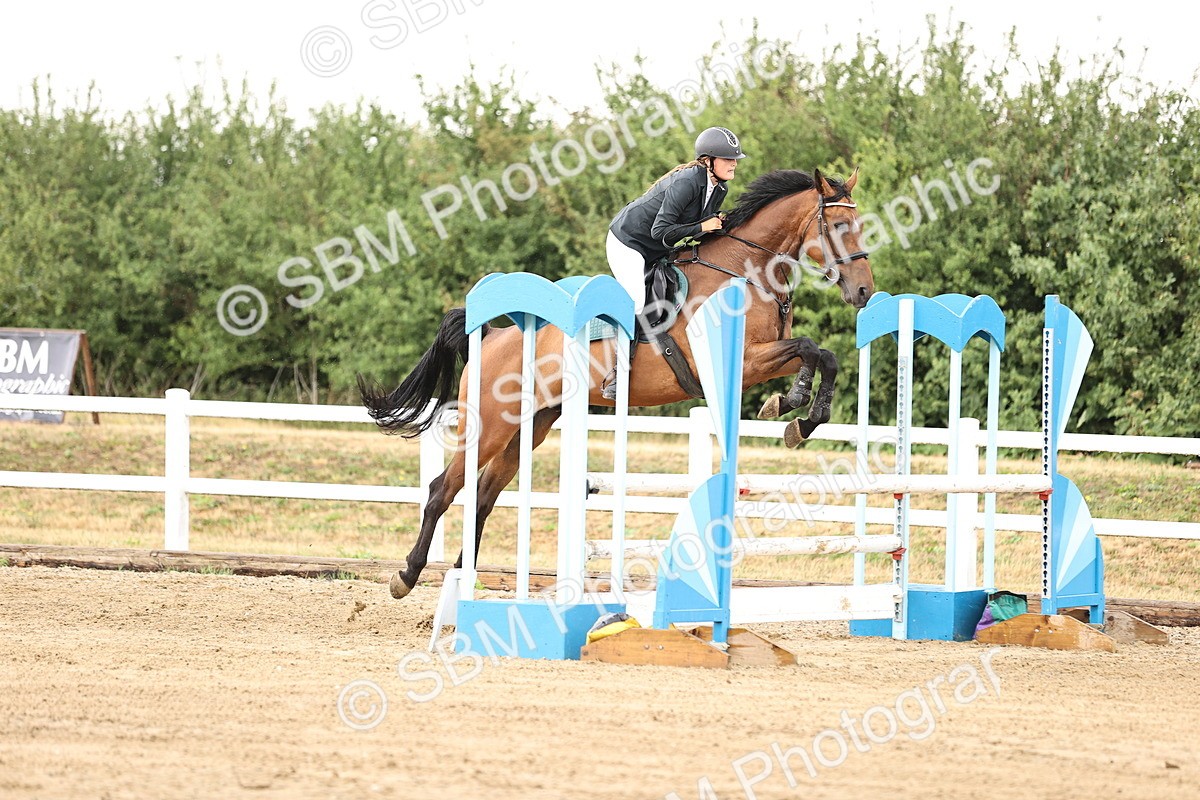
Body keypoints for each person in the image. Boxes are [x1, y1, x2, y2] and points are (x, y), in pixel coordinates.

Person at [601, 126, 747, 399]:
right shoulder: (687, 182)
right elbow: (661, 231)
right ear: (708, 160)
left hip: (657, 248)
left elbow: (694, 227)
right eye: (728, 158)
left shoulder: (719, 189)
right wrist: (704, 226)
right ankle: (618, 374)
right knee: (637, 300)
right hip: (628, 243)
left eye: (735, 158)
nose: (734, 163)